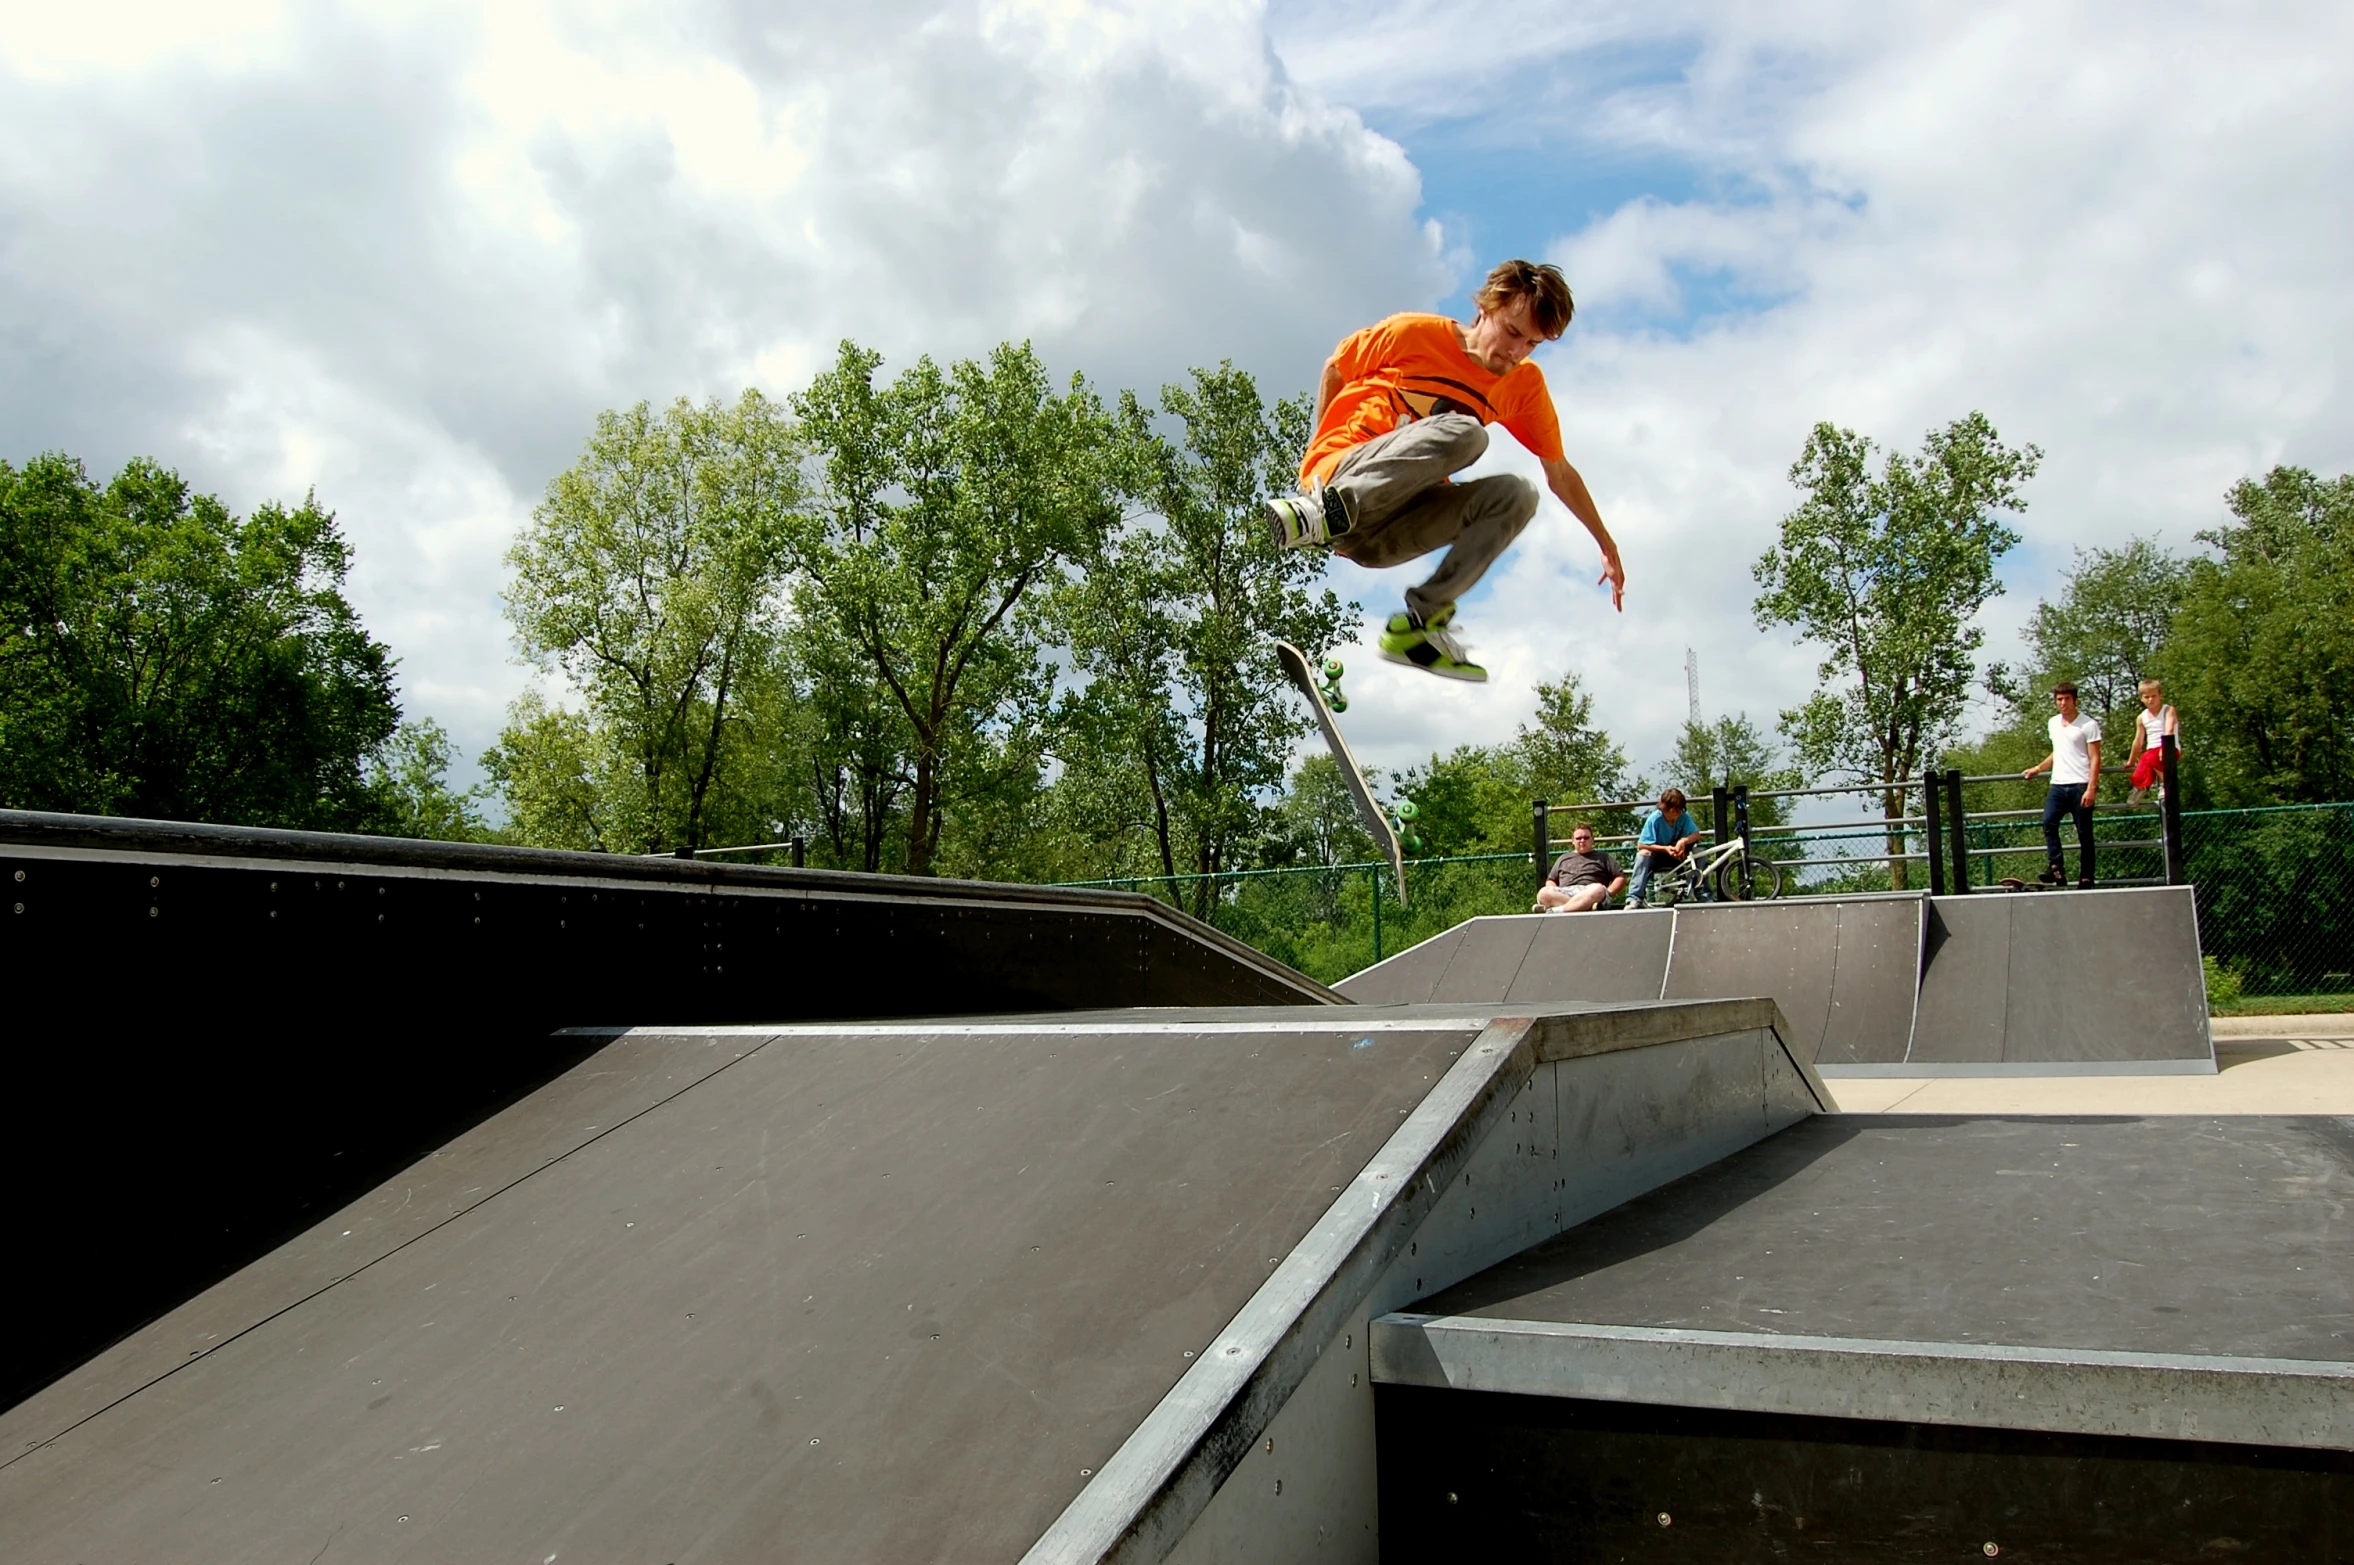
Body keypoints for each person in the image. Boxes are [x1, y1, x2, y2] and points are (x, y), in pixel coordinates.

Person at [1264, 259, 1625, 684]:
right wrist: (1315, 469)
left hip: (1384, 534)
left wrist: (1605, 542)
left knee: (1518, 496)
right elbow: (1337, 367)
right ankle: (1326, 509)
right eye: (1512, 332)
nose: (1515, 352)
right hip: (1345, 477)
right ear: (1487, 307)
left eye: (1532, 343)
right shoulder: (1412, 333)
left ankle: (1419, 629)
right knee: (1468, 434)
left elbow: (1559, 472)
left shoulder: (1524, 386)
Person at [2023, 681, 2102, 888]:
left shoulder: (2088, 725)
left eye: (2067, 699)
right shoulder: (2053, 723)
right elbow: (2058, 752)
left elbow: (2095, 758)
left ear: (2075, 700)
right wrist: (2039, 768)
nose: (2063, 703)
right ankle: (2056, 868)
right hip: (2058, 784)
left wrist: (2091, 787)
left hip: (2080, 784)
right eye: (2059, 699)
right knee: (2049, 822)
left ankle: (2086, 877)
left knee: (2084, 833)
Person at [1626, 788, 1704, 907]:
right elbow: (1641, 844)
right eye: (1676, 809)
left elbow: (1696, 834)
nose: (1678, 812)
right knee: (1642, 855)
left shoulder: (1683, 817)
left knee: (1700, 853)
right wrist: (1665, 849)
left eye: (1680, 809)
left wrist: (1683, 841)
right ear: (1666, 808)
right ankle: (1634, 897)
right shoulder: (1655, 819)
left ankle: (1703, 894)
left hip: (1679, 854)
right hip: (1658, 855)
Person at [1534, 823, 1626, 913]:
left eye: (1586, 838)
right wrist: (1554, 891)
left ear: (1592, 839)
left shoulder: (1603, 857)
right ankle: (1584, 906)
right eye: (1578, 838)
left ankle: (1559, 909)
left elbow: (1620, 877)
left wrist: (1608, 893)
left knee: (1599, 890)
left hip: (1590, 891)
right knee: (1542, 893)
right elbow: (1551, 880)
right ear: (1573, 841)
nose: (1582, 841)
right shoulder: (1563, 858)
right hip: (1566, 891)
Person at [2127, 678, 2180, 803]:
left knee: (2148, 757)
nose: (2150, 700)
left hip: (2169, 748)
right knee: (2140, 770)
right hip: (2151, 753)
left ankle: (2166, 784)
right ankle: (2140, 787)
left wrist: (2164, 748)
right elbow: (2138, 741)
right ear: (2141, 698)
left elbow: (2169, 729)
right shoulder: (2141, 717)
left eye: (2154, 696)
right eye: (2147, 697)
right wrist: (2131, 760)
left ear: (2160, 696)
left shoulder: (2168, 710)